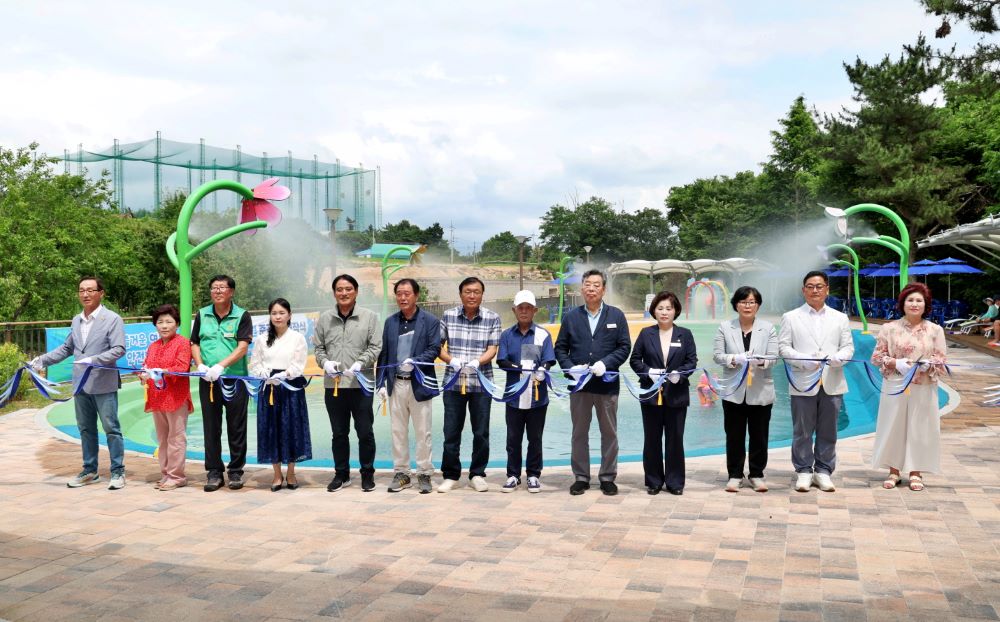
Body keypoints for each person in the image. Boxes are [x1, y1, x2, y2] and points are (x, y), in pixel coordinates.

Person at [31, 277, 126, 490]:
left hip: (103, 383)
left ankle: (118, 471)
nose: (86, 294)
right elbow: (66, 348)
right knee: (85, 428)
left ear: (101, 293)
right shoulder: (76, 320)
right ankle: (90, 470)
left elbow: (119, 349)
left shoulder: (112, 319)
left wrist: (94, 360)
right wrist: (42, 360)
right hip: (80, 384)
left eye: (91, 290)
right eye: (82, 290)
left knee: (111, 428)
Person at [554, 269, 632, 496]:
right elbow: (560, 347)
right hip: (579, 386)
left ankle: (607, 477)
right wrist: (570, 368)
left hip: (606, 384)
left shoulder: (616, 316)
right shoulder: (571, 317)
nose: (591, 288)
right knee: (579, 433)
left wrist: (606, 363)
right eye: (587, 284)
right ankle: (581, 477)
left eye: (596, 285)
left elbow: (624, 347)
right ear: (582, 288)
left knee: (609, 433)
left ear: (604, 289)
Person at [778, 271, 854, 493]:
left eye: (819, 286)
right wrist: (803, 361)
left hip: (832, 379)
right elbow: (784, 347)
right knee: (802, 429)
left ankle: (823, 470)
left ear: (827, 289)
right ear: (803, 290)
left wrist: (840, 358)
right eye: (810, 286)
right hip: (803, 379)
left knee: (828, 429)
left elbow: (848, 346)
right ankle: (803, 470)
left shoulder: (840, 318)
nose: (815, 290)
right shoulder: (791, 317)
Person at [870, 283, 948, 491]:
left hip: (923, 385)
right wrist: (896, 363)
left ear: (926, 305)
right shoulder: (889, 328)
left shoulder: (935, 330)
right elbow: (877, 357)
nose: (914, 304)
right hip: (895, 384)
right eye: (910, 300)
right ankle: (894, 471)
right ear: (903, 303)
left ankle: (916, 471)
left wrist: (928, 364)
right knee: (893, 425)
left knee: (920, 427)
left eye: (919, 300)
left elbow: (941, 359)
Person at [313, 274, 382, 493]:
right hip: (334, 386)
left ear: (356, 291)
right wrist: (325, 363)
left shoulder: (369, 317)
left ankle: (367, 474)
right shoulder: (325, 318)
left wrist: (361, 363)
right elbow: (318, 348)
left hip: (361, 385)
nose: (344, 293)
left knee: (365, 432)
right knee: (339, 433)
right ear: (334, 293)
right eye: (340, 289)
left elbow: (375, 346)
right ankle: (341, 474)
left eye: (348, 289)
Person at [377, 278, 442, 494]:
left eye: (407, 293)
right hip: (396, 383)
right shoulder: (390, 322)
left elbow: (434, 349)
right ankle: (402, 472)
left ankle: (424, 473)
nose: (402, 297)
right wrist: (381, 383)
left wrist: (416, 361)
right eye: (399, 294)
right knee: (397, 431)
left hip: (419, 383)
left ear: (416, 295)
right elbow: (384, 354)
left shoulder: (430, 321)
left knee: (423, 432)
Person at [629, 291, 697, 495]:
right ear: (654, 311)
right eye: (660, 308)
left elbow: (691, 361)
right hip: (651, 395)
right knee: (652, 439)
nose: (664, 312)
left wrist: (681, 375)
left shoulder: (684, 334)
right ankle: (653, 481)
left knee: (675, 439)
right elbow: (635, 360)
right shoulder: (645, 333)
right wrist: (647, 372)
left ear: (675, 311)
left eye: (668, 308)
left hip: (676, 395)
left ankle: (675, 482)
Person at [712, 286, 778, 493]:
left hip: (760, 390)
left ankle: (757, 474)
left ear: (758, 305)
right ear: (736, 304)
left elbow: (774, 356)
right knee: (734, 435)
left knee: (760, 435)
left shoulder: (768, 328)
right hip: (733, 391)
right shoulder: (725, 327)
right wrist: (734, 359)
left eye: (752, 302)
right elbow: (717, 355)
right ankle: (734, 474)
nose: (747, 306)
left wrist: (761, 361)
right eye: (743, 301)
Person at [438, 277, 501, 493]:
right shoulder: (448, 316)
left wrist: (477, 362)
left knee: (481, 431)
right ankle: (451, 474)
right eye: (468, 291)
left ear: (482, 295)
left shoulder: (492, 317)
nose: (472, 296)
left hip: (481, 383)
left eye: (476, 292)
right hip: (453, 383)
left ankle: (477, 474)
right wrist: (451, 360)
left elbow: (493, 348)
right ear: (461, 294)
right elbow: (438, 346)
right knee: (451, 431)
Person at [191, 275, 253, 492]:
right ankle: (214, 472)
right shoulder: (202, 314)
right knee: (211, 426)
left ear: (231, 292)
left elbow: (242, 347)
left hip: (234, 379)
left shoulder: (242, 315)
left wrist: (221, 366)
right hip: (207, 379)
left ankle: (236, 471)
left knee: (236, 426)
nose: (217, 291)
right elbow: (195, 343)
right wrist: (200, 365)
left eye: (222, 288)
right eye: (214, 288)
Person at [496, 290, 556, 493]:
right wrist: (519, 369)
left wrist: (543, 369)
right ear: (514, 310)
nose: (524, 311)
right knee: (513, 438)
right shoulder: (506, 335)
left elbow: (548, 360)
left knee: (535, 437)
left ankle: (533, 475)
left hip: (537, 398)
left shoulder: (542, 334)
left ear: (534, 310)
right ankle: (513, 475)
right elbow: (502, 360)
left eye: (528, 308)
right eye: (520, 308)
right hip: (514, 397)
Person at [249, 298, 311, 491]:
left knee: (292, 428)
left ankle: (291, 472)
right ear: (270, 316)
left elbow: (299, 364)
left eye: (282, 313)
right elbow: (254, 364)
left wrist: (284, 375)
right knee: (271, 428)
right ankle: (276, 474)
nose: (278, 316)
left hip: (290, 388)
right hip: (269, 388)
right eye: (274, 313)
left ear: (289, 315)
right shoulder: (261, 339)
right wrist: (265, 374)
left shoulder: (297, 338)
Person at [140, 304, 193, 491]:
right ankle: (166, 473)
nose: (164, 326)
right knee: (162, 438)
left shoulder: (183, 343)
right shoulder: (153, 346)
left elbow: (181, 368)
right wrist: (143, 374)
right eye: (160, 322)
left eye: (169, 321)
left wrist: (164, 372)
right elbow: (145, 366)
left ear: (177, 324)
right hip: (157, 398)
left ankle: (177, 476)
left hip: (176, 397)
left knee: (177, 438)